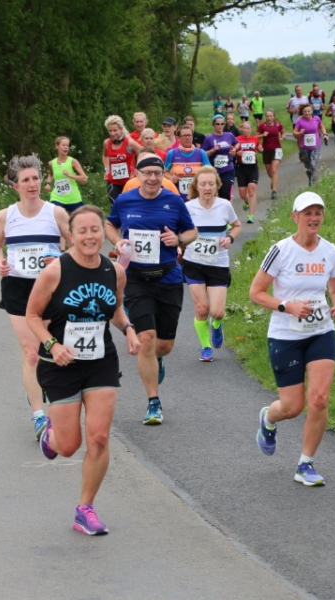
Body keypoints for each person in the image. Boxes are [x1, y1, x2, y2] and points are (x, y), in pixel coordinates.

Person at [26, 205, 141, 536]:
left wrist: (128, 329)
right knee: (68, 446)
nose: (90, 236)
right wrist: (52, 346)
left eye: (95, 229)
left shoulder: (115, 271)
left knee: (100, 437)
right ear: (71, 236)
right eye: (82, 231)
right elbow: (33, 316)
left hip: (100, 362)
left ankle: (85, 508)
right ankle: (51, 435)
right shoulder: (55, 272)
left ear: (103, 232)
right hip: (60, 365)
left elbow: (116, 307)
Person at [249, 191, 335, 487]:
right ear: (295, 217)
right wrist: (286, 306)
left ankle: (306, 463)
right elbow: (256, 293)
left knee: (319, 399)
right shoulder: (281, 250)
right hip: (285, 334)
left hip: (320, 332)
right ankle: (269, 417)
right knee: (292, 407)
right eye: (308, 213)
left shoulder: (330, 251)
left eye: (318, 212)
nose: (314, 218)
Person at [106, 155, 198, 425]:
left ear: (163, 175)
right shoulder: (125, 200)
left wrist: (179, 239)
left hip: (168, 278)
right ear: (137, 174)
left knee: (164, 345)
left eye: (158, 173)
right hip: (135, 279)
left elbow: (193, 231)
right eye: (147, 173)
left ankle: (158, 359)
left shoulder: (174, 201)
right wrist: (118, 240)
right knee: (145, 338)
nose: (153, 178)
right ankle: (153, 402)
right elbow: (110, 224)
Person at [0, 154, 72, 440]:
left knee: (51, 349)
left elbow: (75, 246)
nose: (32, 184)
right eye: (26, 180)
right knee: (31, 352)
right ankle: (39, 416)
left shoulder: (56, 213)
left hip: (50, 288)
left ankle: (39, 389)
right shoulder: (5, 215)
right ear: (16, 186)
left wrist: (60, 259)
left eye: (36, 178)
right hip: (18, 287)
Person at [183, 167, 242, 362]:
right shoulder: (188, 207)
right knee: (201, 309)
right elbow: (180, 232)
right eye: (203, 184)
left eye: (211, 184)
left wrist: (230, 238)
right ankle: (205, 347)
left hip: (218, 263)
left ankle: (217, 325)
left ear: (217, 186)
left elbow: (237, 225)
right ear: (196, 186)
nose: (207, 188)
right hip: (194, 263)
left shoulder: (224, 206)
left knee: (217, 312)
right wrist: (178, 245)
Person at [102, 115, 143, 204]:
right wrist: (107, 169)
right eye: (110, 131)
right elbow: (105, 156)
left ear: (121, 129)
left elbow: (143, 154)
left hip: (129, 182)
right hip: (113, 182)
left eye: (115, 130)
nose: (112, 133)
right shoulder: (106, 143)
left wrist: (137, 170)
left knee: (130, 206)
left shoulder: (129, 143)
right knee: (116, 206)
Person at [165, 126, 210, 202]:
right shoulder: (172, 153)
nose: (187, 138)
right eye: (184, 136)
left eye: (189, 135)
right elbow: (164, 172)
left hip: (197, 195)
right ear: (178, 138)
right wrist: (171, 177)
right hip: (178, 195)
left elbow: (210, 172)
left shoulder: (201, 153)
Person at [202, 114, 239, 202]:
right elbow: (203, 155)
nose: (220, 126)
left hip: (228, 169)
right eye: (218, 124)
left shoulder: (229, 135)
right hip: (214, 171)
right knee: (216, 195)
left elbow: (237, 143)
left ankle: (227, 214)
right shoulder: (209, 138)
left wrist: (235, 149)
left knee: (226, 193)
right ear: (214, 125)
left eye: (222, 124)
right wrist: (213, 150)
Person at [45, 136, 88, 212]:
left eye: (67, 146)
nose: (66, 148)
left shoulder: (73, 161)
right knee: (55, 215)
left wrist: (70, 175)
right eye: (63, 145)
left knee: (82, 218)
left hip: (73, 197)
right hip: (57, 197)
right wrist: (48, 183)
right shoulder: (51, 163)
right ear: (57, 146)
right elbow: (51, 175)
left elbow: (84, 178)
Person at [293, 105, 329, 186]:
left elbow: (321, 126)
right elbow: (294, 132)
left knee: (314, 162)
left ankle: (314, 180)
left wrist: (325, 134)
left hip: (316, 145)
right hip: (304, 147)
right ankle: (310, 179)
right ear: (302, 112)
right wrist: (299, 133)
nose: (307, 113)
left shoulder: (317, 119)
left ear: (312, 111)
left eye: (308, 111)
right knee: (307, 166)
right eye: (305, 111)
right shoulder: (299, 121)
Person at [234, 120, 262, 223]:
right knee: (242, 194)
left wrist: (260, 148)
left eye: (248, 128)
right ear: (241, 129)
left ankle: (251, 215)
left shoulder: (255, 139)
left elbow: (259, 149)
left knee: (251, 190)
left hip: (253, 167)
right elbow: (233, 152)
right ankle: (246, 201)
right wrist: (238, 153)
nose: (246, 130)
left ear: (251, 129)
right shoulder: (237, 139)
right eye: (244, 128)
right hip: (241, 168)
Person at [257, 109, 285, 200]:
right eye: (267, 116)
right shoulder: (262, 126)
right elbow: (255, 137)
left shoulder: (278, 125)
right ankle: (274, 180)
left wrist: (283, 137)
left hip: (277, 149)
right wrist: (262, 135)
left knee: (273, 169)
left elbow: (283, 132)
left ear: (274, 116)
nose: (269, 118)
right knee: (269, 172)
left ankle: (274, 191)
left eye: (270, 116)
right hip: (266, 150)